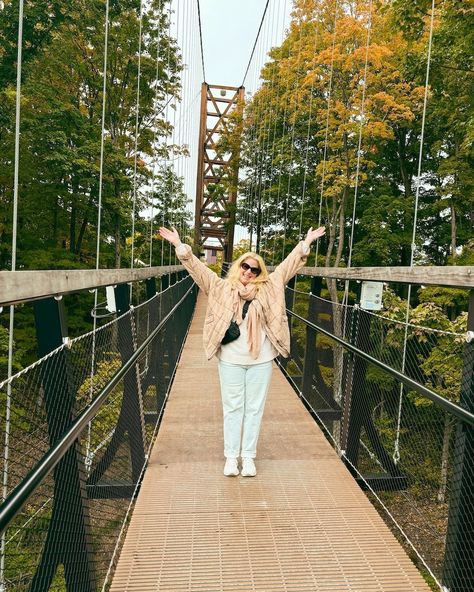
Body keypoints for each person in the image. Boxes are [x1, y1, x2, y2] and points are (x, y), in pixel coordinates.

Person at [158, 225, 326, 477]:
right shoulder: (221, 287)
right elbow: (198, 270)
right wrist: (179, 247)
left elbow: (290, 265)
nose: (249, 272)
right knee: (233, 408)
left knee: (255, 409)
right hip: (231, 359)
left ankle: (248, 457)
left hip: (261, 359)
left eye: (254, 269)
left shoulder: (271, 286)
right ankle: (230, 457)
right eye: (245, 267)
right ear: (238, 267)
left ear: (260, 272)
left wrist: (306, 242)